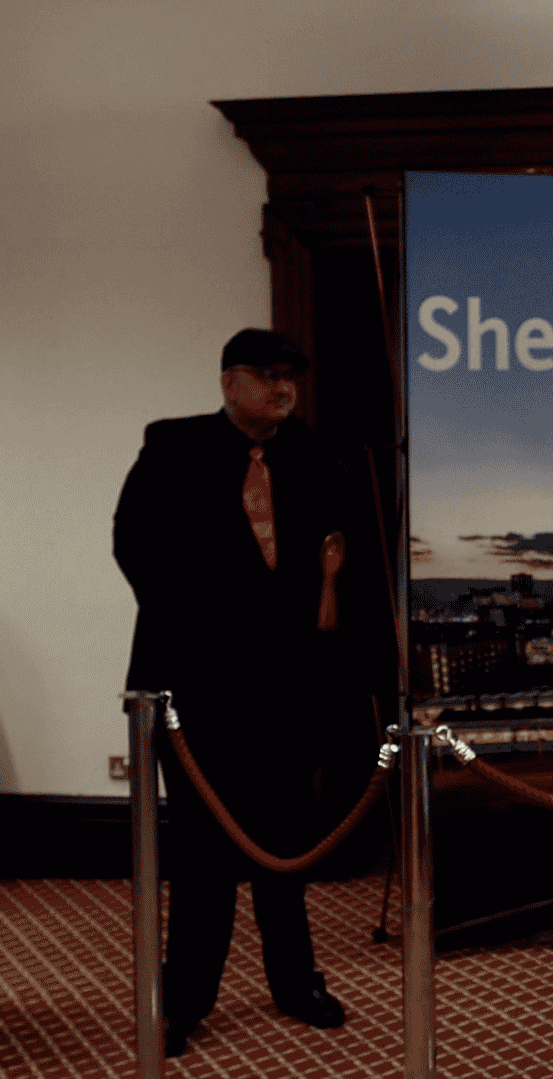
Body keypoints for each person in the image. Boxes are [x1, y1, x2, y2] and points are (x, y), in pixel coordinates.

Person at [114, 328, 359, 1057]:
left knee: (285, 842)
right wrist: (210, 626)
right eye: (267, 375)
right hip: (197, 688)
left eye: (290, 377)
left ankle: (295, 982)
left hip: (287, 688)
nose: (282, 388)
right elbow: (134, 546)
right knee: (203, 855)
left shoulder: (315, 457)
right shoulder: (172, 449)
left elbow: (338, 560)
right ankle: (183, 999)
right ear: (228, 382)